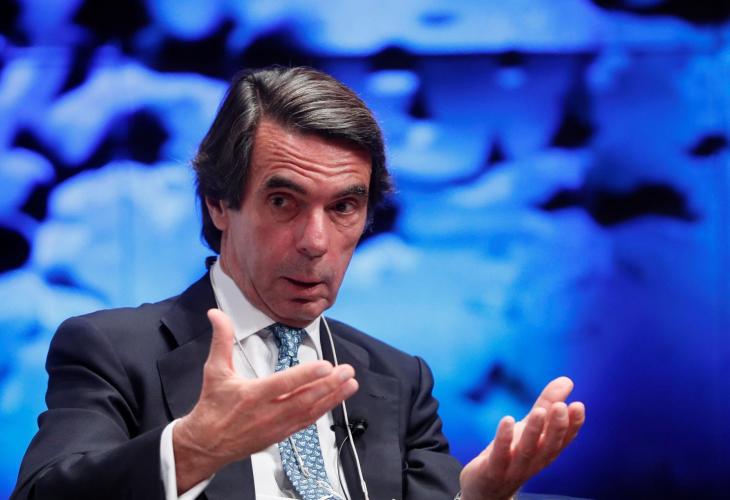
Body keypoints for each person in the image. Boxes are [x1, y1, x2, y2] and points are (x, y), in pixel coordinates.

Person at [12, 66, 585, 500]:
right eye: (284, 201)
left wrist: (477, 497)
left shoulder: (400, 378)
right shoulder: (112, 350)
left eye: (343, 207)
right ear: (219, 203)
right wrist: (192, 450)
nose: (316, 241)